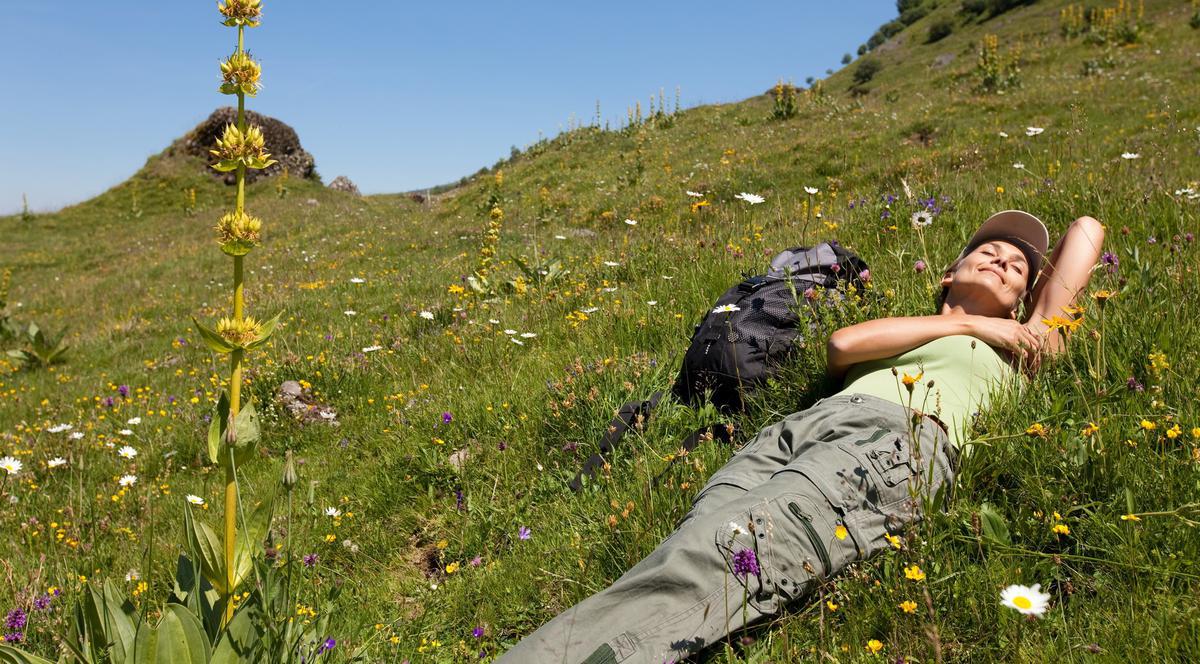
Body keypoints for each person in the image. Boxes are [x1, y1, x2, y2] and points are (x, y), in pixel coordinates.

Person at [500, 211, 1106, 664]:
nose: (1004, 260)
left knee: (711, 561)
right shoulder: (921, 325)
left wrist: (1024, 316)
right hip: (798, 431)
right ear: (947, 275)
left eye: (1019, 266)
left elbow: (1086, 230)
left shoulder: (1032, 342)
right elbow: (843, 346)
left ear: (1029, 296)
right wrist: (974, 321)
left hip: (895, 443)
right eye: (990, 252)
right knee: (693, 552)